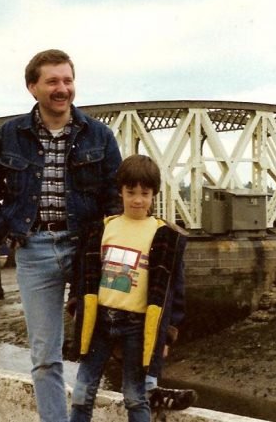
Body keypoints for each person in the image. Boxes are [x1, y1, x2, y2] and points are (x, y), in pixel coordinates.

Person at [0, 49, 122, 422]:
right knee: (44, 355)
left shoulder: (99, 135)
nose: (62, 89)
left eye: (68, 80)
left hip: (86, 248)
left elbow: (115, 195)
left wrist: (109, 243)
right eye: (53, 81)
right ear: (32, 87)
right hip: (34, 250)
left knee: (105, 337)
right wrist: (6, 229)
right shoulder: (10, 134)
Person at [68, 155, 193, 422]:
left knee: (135, 396)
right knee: (82, 391)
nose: (137, 199)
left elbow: (176, 288)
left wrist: (167, 335)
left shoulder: (165, 236)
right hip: (100, 319)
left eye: (145, 193)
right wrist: (76, 306)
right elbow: (82, 273)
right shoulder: (103, 229)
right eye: (131, 192)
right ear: (120, 192)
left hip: (138, 325)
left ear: (154, 194)